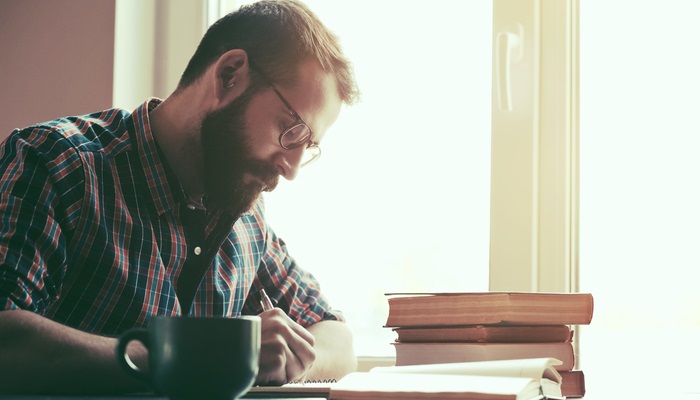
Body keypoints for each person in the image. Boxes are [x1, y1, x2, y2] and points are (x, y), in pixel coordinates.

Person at [0, 0, 359, 394]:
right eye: (291, 131)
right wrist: (191, 356)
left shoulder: (246, 218)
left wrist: (283, 360)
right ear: (229, 76)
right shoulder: (57, 164)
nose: (291, 169)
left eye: (307, 147)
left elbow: (338, 340)